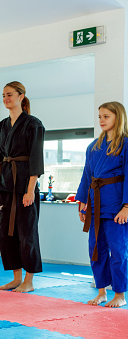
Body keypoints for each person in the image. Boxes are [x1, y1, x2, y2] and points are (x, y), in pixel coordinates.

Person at [0, 81, 45, 293]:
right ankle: (16, 278)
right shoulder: (0, 127)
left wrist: (30, 190)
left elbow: (36, 159)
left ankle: (29, 280)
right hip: (4, 186)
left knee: (26, 233)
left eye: (9, 95)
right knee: (6, 234)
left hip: (24, 187)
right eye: (3, 95)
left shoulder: (33, 124)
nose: (5, 99)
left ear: (21, 96)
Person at [76, 101, 128, 308]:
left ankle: (120, 294)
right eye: (99, 117)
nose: (101, 120)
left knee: (118, 251)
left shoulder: (125, 144)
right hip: (96, 205)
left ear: (118, 117)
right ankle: (102, 291)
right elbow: (87, 177)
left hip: (116, 206)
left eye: (106, 116)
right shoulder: (93, 147)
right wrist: (83, 203)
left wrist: (127, 206)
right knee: (96, 250)